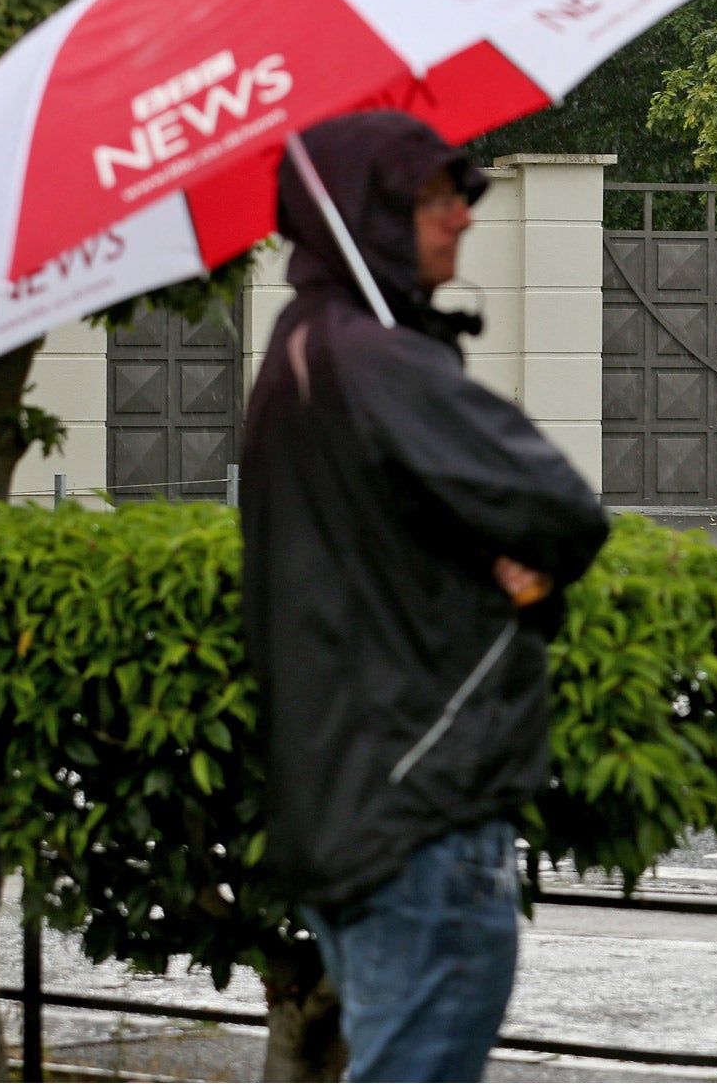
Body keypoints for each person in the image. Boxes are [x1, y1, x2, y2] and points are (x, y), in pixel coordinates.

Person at [240, 111, 609, 1081]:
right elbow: (561, 511)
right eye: (440, 197)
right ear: (371, 215)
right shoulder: (374, 363)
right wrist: (520, 569)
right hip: (423, 823)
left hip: (353, 810)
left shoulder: (305, 351)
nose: (464, 218)